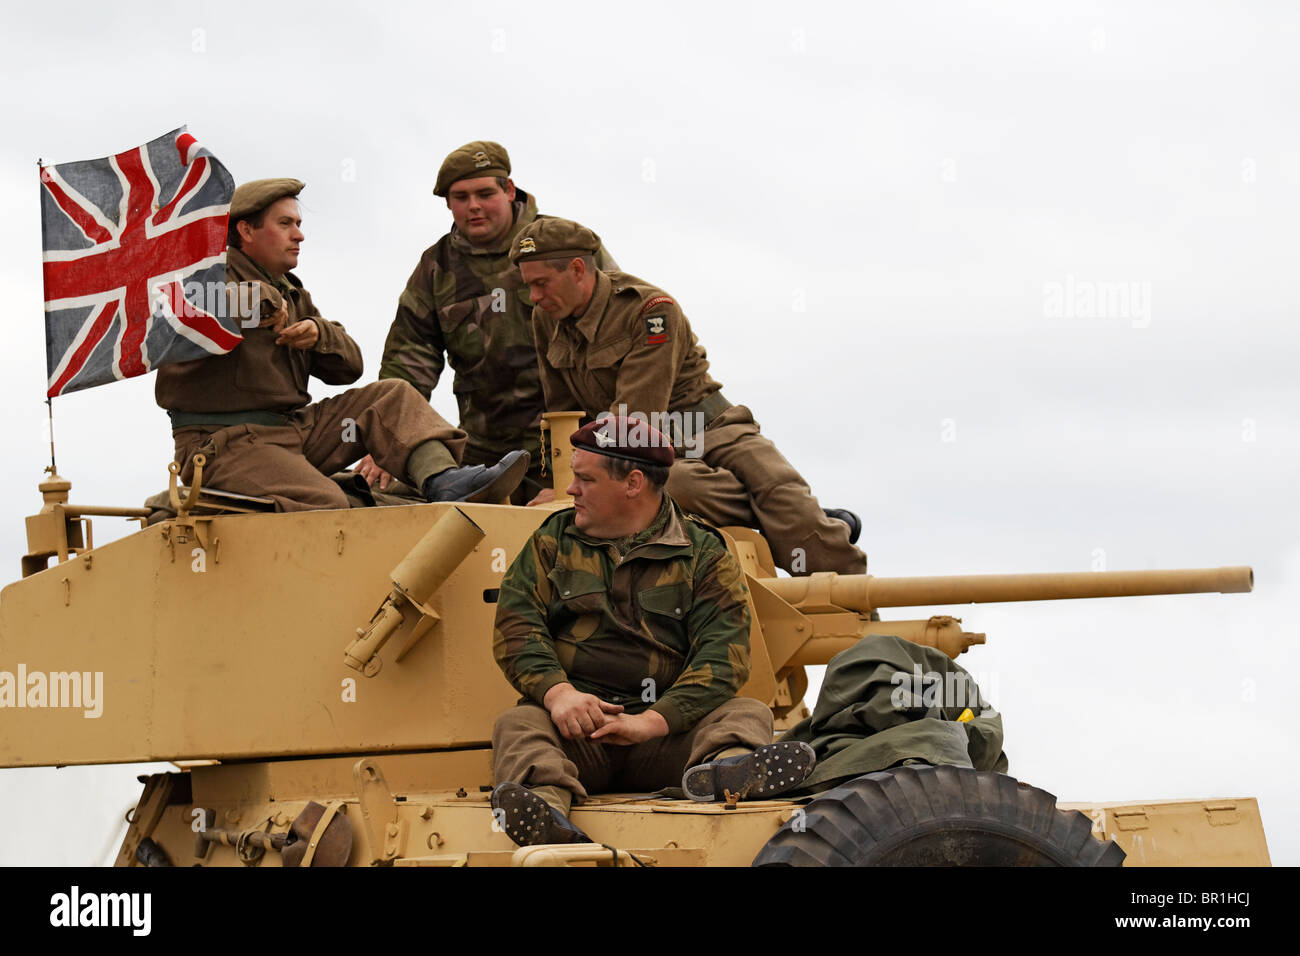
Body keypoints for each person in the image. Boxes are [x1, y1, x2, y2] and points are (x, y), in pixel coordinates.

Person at [489, 416, 815, 847]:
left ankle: (726, 774)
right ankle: (545, 809)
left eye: (584, 479)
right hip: (576, 735)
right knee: (519, 723)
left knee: (746, 713)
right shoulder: (553, 541)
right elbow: (516, 626)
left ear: (633, 483)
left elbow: (724, 657)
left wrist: (653, 722)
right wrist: (559, 695)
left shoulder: (703, 553)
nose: (570, 490)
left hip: (667, 739)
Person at [511, 217, 867, 577]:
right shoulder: (546, 318)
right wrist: (561, 488)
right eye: (529, 287)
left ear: (576, 270)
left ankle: (855, 608)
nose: (535, 297)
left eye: (542, 284)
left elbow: (634, 420)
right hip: (641, 447)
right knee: (677, 488)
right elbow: (561, 414)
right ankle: (777, 515)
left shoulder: (650, 310)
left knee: (787, 502)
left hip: (708, 430)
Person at [155, 178, 528, 511]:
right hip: (222, 446)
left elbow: (349, 366)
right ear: (246, 231)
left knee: (390, 396)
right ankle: (364, 503)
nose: (298, 235)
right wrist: (265, 301)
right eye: (285, 224)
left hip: (291, 433)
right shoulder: (202, 275)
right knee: (326, 503)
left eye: (298, 224)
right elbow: (195, 306)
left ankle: (444, 481)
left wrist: (318, 334)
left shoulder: (293, 292)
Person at [360, 141, 615, 504]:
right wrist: (388, 441)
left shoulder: (563, 245)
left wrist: (603, 451)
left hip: (572, 437)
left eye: (485, 193)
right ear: (448, 204)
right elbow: (408, 362)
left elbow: (618, 328)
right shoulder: (437, 268)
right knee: (372, 495)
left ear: (509, 191)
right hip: (482, 449)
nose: (473, 206)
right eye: (461, 197)